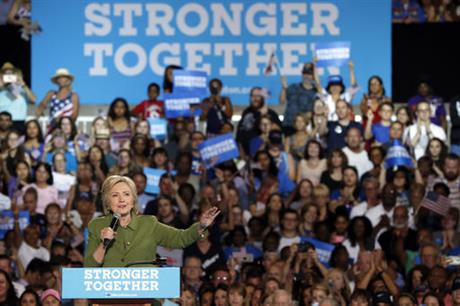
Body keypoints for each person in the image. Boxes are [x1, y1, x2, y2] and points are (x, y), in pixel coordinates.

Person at [84, 175, 220, 267]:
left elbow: (181, 238)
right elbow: (89, 268)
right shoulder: (97, 226)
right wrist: (103, 245)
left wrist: (201, 225)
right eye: (115, 195)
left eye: (126, 194)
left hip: (144, 297)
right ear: (107, 202)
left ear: (133, 200)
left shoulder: (149, 223)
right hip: (108, 298)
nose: (121, 199)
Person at [0, 62, 36, 133]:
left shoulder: (21, 90)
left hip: (19, 123)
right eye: (5, 74)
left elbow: (33, 99)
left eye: (10, 73)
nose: (8, 76)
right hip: (2, 123)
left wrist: (23, 85)